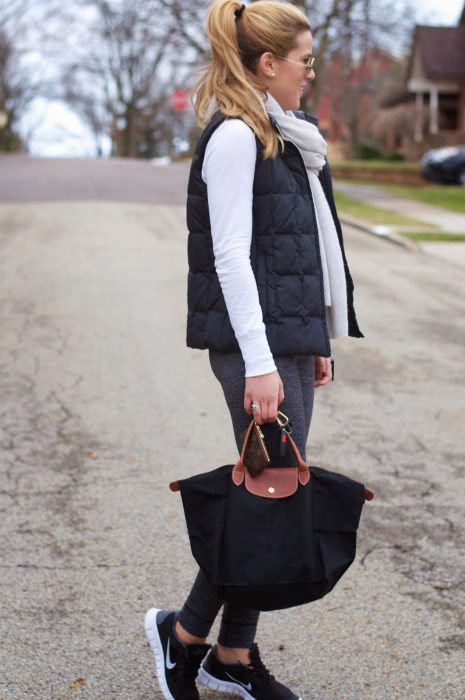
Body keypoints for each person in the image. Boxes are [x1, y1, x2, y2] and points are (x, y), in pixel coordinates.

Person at [144, 1, 363, 698]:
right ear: (268, 64)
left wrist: (314, 337)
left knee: (272, 492)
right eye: (303, 59)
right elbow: (234, 260)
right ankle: (186, 640)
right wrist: (264, 362)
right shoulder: (239, 137)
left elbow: (294, 251)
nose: (311, 70)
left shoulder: (286, 134)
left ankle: (226, 654)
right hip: (253, 344)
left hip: (283, 337)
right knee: (265, 498)